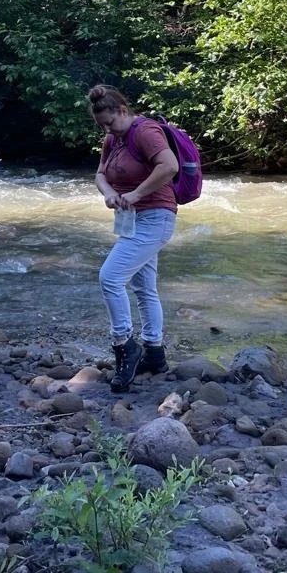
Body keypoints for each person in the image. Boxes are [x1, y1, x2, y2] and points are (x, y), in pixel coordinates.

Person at [89, 85, 179, 392]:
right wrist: (111, 193)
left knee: (110, 277)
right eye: (101, 125)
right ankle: (154, 352)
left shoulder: (146, 132)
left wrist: (137, 193)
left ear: (123, 111)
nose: (107, 129)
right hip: (132, 220)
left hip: (156, 217)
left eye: (110, 122)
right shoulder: (113, 139)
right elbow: (100, 174)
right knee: (144, 287)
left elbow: (170, 166)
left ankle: (125, 346)